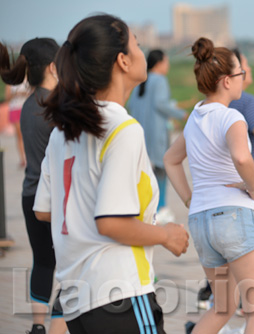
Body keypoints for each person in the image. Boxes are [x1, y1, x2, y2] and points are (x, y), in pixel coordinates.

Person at [33, 14, 189, 334]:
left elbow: (43, 210)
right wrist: (166, 235)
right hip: (121, 296)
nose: (143, 52)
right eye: (138, 45)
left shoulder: (63, 131)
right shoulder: (122, 129)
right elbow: (111, 222)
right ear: (122, 61)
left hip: (76, 301)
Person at [164, 37, 254, 334]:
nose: (243, 80)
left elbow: (170, 160)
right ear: (226, 81)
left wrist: (188, 199)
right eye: (240, 75)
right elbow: (241, 157)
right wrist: (253, 185)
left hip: (200, 219)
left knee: (221, 307)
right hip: (235, 215)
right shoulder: (231, 116)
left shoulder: (195, 117)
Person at [0, 38, 66, 334]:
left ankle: (38, 327)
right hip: (56, 199)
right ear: (53, 66)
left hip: (30, 196)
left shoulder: (27, 105)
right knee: (69, 265)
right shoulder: (58, 107)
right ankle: (57, 325)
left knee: (42, 262)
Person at [128, 49, 187, 223]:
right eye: (167, 61)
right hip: (156, 135)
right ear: (160, 63)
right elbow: (161, 104)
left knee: (144, 173)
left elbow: (132, 104)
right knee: (161, 171)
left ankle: (144, 208)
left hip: (140, 133)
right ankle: (161, 208)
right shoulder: (160, 80)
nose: (167, 65)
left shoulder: (140, 80)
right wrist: (181, 114)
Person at [5, 78, 31, 167]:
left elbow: (32, 93)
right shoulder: (10, 81)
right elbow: (7, 97)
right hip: (15, 109)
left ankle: (29, 157)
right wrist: (16, 94)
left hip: (25, 107)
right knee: (19, 135)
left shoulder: (27, 80)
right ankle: (22, 158)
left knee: (28, 134)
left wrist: (24, 94)